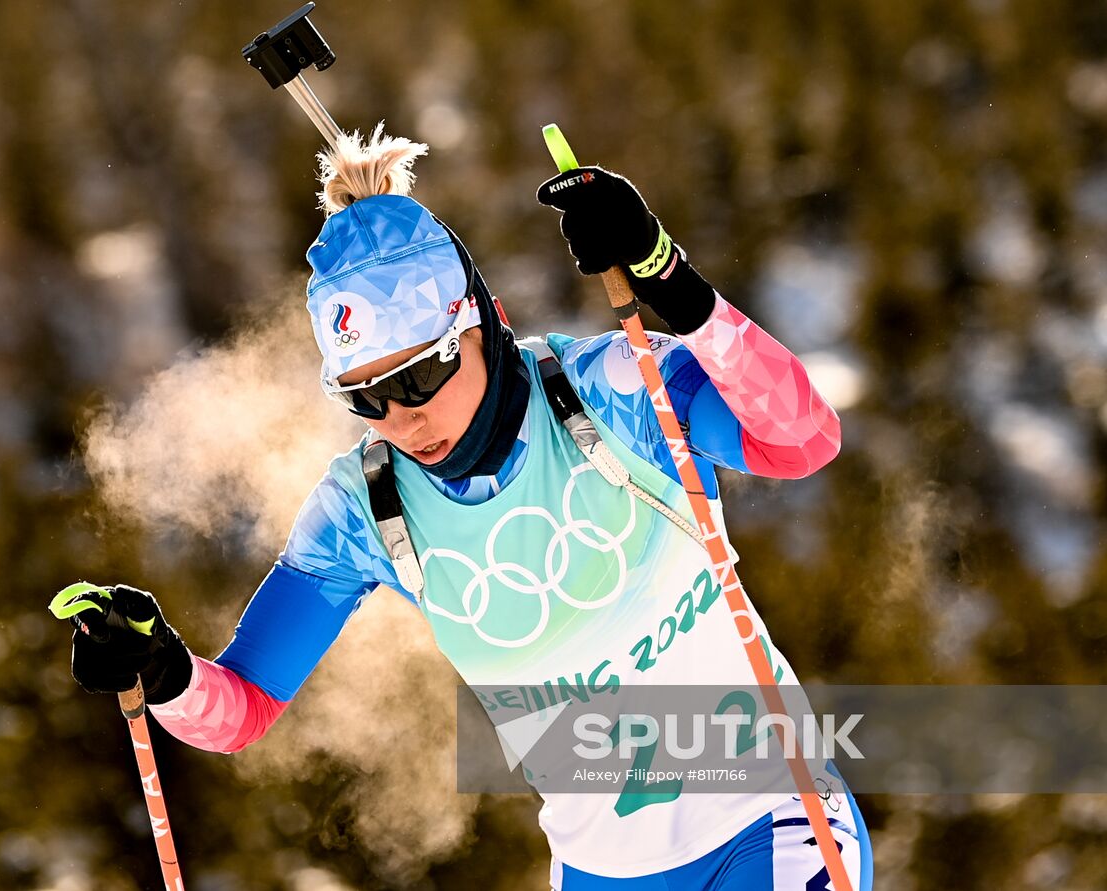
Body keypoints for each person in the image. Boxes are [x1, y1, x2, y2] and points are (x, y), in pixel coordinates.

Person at [63, 127, 873, 890]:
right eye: (367, 397)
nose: (403, 417)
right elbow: (240, 709)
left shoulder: (615, 390)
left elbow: (802, 441)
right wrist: (163, 671)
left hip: (773, 819)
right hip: (603, 871)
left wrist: (673, 283)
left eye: (418, 377)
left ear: (479, 320)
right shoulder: (365, 507)